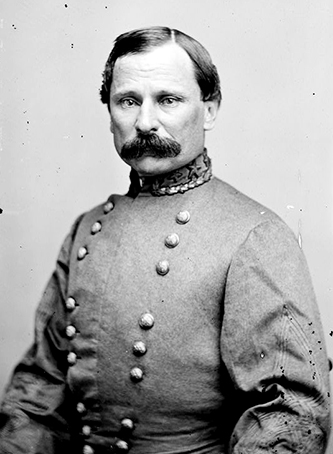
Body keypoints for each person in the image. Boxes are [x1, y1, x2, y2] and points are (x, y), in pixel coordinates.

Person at [0, 26, 331, 454]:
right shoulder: (87, 230)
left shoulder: (255, 236)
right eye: (128, 101)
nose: (144, 121)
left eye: (168, 100)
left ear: (209, 110)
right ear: (110, 112)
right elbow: (39, 392)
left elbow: (291, 412)